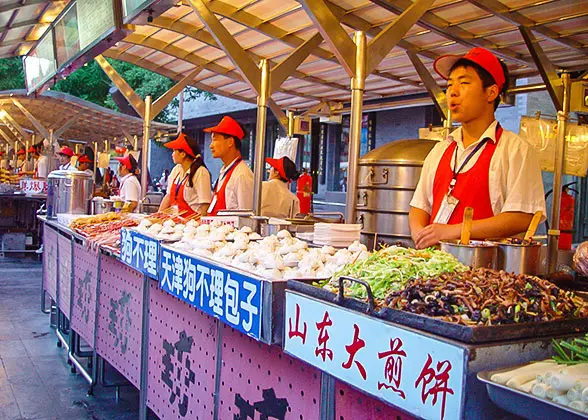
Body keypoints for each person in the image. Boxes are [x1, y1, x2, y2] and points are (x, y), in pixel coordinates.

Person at [409, 47, 546, 249]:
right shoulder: (441, 150)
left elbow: (522, 216)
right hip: (433, 269)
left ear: (491, 92)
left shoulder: (515, 150)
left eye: (464, 83)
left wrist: (453, 231)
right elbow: (419, 206)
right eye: (449, 84)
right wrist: (420, 234)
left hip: (485, 273)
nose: (452, 92)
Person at [205, 116, 254, 215]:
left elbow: (246, 219)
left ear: (230, 142)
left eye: (215, 140)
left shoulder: (241, 175)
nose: (211, 145)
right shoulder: (224, 170)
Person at [159, 133, 212, 217]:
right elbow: (168, 196)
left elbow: (205, 206)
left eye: (174, 151)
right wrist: (158, 215)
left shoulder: (201, 172)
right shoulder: (176, 170)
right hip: (176, 221)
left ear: (183, 154)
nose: (172, 154)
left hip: (193, 224)